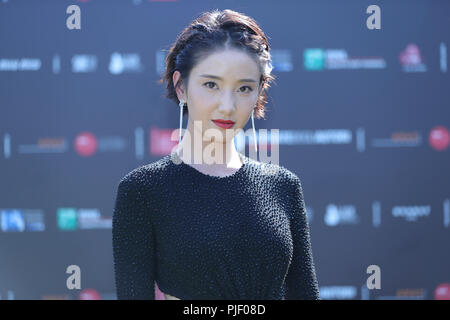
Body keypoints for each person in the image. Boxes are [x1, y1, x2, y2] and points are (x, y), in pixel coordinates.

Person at [112, 8, 320, 300]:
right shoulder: (143, 190)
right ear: (181, 86)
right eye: (211, 84)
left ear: (259, 92)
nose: (227, 105)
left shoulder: (283, 185)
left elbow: (305, 294)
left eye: (244, 88)